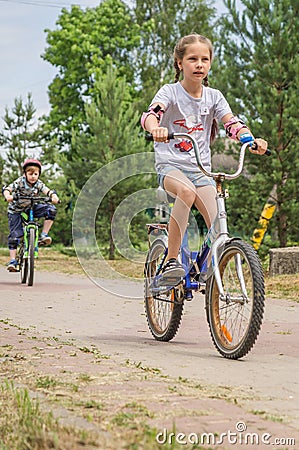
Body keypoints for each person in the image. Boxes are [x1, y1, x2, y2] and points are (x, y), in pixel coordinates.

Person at [141, 33, 268, 287]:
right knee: (186, 193)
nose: (199, 64)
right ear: (180, 63)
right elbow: (150, 115)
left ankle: (209, 271)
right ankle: (172, 261)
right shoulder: (170, 92)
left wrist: (249, 139)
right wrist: (155, 127)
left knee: (219, 221)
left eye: (204, 59)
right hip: (171, 167)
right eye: (192, 59)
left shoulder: (214, 97)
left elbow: (231, 122)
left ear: (210, 63)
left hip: (201, 171)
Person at [2, 158, 60, 272]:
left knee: (51, 210)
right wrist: (8, 195)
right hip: (16, 211)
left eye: (36, 174)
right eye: (30, 173)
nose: (33, 176)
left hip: (31, 208)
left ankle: (43, 235)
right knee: (15, 236)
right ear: (25, 174)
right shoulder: (20, 182)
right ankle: (13, 261)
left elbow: (48, 191)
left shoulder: (38, 184)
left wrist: (54, 196)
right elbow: (7, 189)